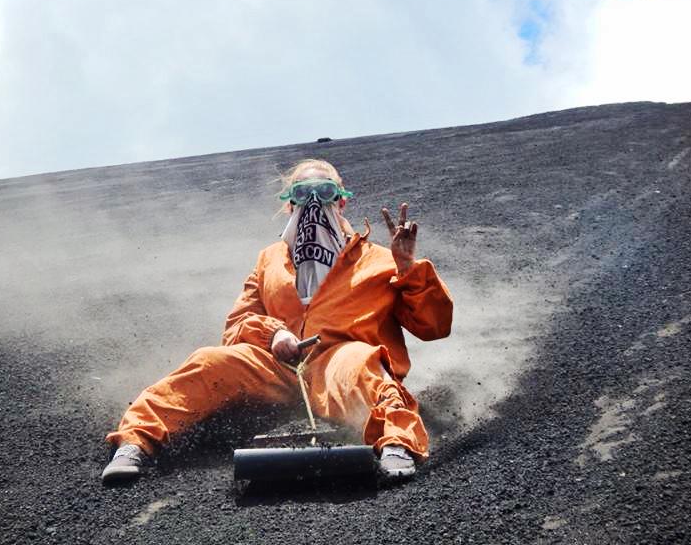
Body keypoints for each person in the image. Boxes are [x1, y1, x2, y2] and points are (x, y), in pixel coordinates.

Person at [101, 158, 453, 483]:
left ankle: (396, 443)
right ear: (289, 203)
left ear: (341, 201)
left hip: (337, 361)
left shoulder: (380, 259)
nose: (313, 202)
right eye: (302, 193)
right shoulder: (270, 259)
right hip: (277, 365)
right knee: (210, 361)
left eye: (325, 192)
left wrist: (409, 271)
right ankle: (135, 441)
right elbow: (238, 322)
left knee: (362, 362)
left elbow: (434, 327)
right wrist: (273, 334)